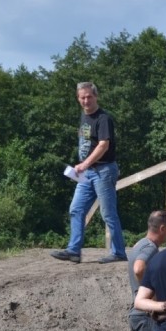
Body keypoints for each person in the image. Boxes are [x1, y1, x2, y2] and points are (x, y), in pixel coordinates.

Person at [51, 81, 127, 264]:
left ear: (96, 97)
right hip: (87, 173)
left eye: (89, 97)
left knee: (108, 213)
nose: (86, 100)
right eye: (82, 97)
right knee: (76, 209)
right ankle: (73, 250)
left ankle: (118, 252)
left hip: (104, 170)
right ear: (78, 99)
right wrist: (83, 166)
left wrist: (84, 164)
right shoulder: (84, 118)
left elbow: (103, 145)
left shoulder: (103, 119)